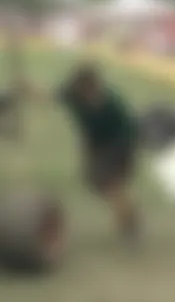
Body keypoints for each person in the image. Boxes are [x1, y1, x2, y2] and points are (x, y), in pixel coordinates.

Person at [25, 62, 142, 239]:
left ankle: (128, 222)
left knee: (108, 183)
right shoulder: (72, 94)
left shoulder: (111, 103)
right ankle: (127, 215)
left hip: (119, 143)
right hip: (98, 144)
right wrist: (27, 88)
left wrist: (110, 156)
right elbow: (47, 96)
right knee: (94, 181)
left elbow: (128, 133)